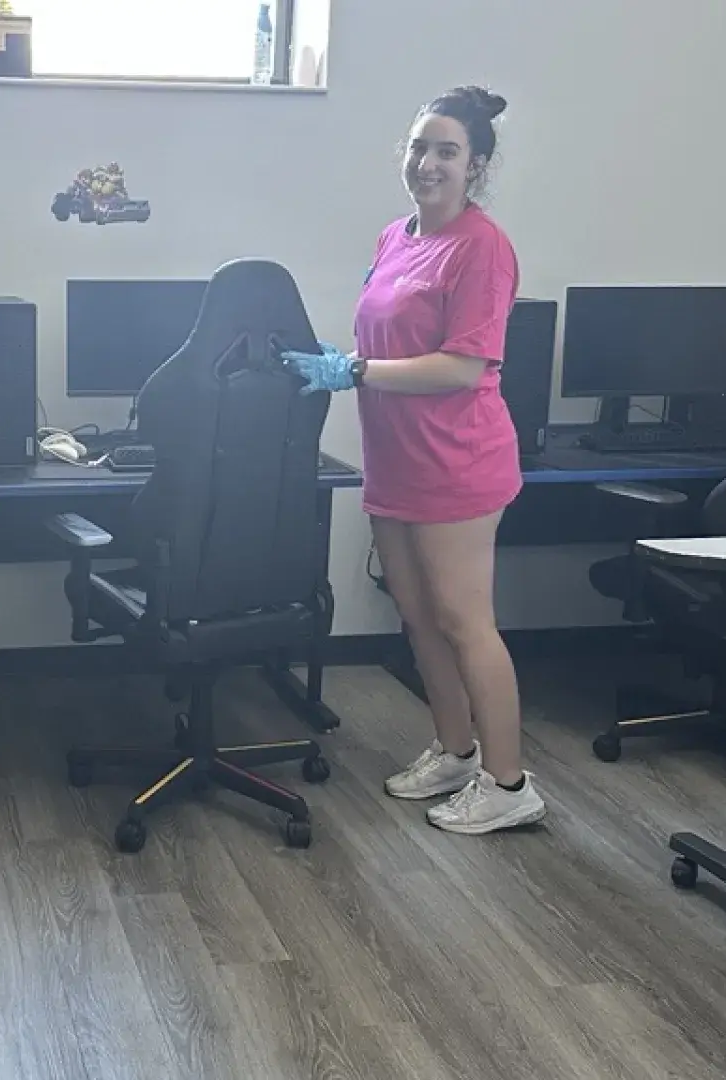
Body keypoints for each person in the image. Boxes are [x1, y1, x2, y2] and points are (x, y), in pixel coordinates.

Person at [283, 85, 545, 836]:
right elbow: (391, 342)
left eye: (447, 151)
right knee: (418, 617)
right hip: (395, 457)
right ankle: (457, 750)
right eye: (419, 147)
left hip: (458, 461)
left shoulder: (483, 248)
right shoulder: (397, 236)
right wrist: (352, 364)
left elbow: (464, 366)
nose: (428, 163)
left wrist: (356, 371)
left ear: (477, 167)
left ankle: (508, 783)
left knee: (466, 620)